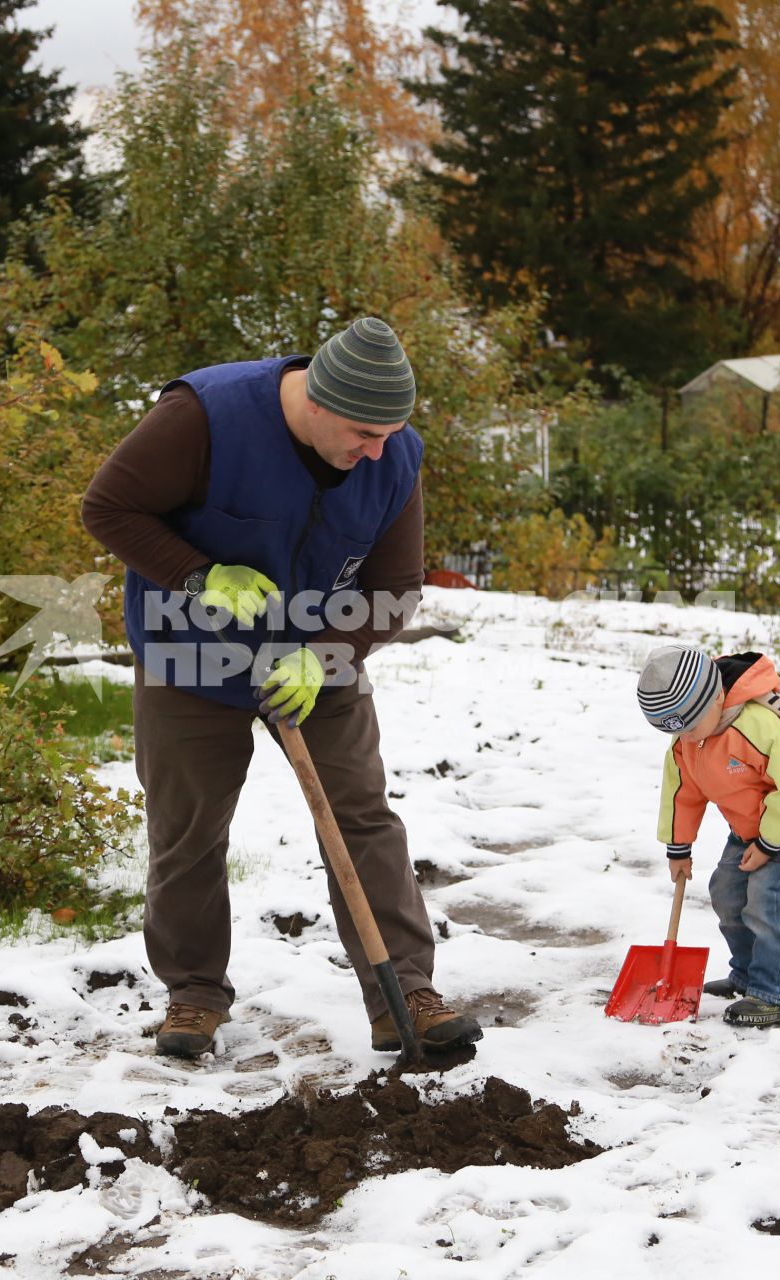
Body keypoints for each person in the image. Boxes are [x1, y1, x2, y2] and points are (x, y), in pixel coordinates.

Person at [81, 317, 482, 1059]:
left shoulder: (393, 460)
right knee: (189, 824)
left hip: (313, 656)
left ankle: (407, 995)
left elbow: (395, 585)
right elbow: (107, 509)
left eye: (391, 433)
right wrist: (199, 575)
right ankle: (193, 995)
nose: (377, 452)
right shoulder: (205, 417)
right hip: (189, 651)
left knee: (361, 815)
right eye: (364, 433)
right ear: (316, 404)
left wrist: (326, 655)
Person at [636, 647, 780, 1028]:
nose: (683, 738)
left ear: (716, 697)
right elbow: (682, 792)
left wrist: (769, 845)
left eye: (689, 727)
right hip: (749, 825)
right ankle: (747, 974)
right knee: (726, 892)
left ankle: (773, 992)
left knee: (764, 897)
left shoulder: (761, 725)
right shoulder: (689, 742)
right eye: (673, 730)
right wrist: (678, 847)